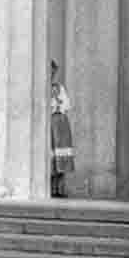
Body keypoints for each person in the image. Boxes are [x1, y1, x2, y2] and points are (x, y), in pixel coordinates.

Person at [49, 60, 75, 198]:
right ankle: (51, 188)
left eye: (53, 71)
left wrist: (57, 107)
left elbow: (66, 104)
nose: (52, 74)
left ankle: (60, 188)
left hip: (61, 123)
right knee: (52, 157)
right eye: (49, 70)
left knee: (62, 156)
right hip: (50, 123)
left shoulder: (59, 87)